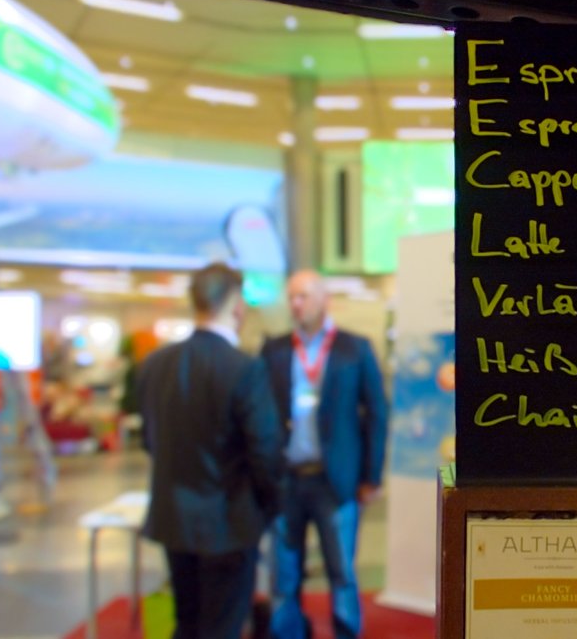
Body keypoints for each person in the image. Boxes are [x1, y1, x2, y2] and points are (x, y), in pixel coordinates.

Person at [137, 262, 285, 638]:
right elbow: (265, 452)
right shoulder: (244, 368)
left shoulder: (154, 365)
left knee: (187, 623)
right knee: (222, 626)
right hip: (228, 523)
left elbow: (150, 441)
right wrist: (268, 506)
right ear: (236, 306)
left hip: (174, 519)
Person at [261, 269, 389, 639]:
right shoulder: (275, 350)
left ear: (324, 300)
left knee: (342, 572)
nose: (295, 304)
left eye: (303, 296)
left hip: (336, 479)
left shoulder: (354, 348)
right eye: (291, 297)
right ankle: (287, 633)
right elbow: (261, 415)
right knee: (284, 575)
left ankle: (346, 631)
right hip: (287, 480)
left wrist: (371, 476)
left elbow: (377, 413)